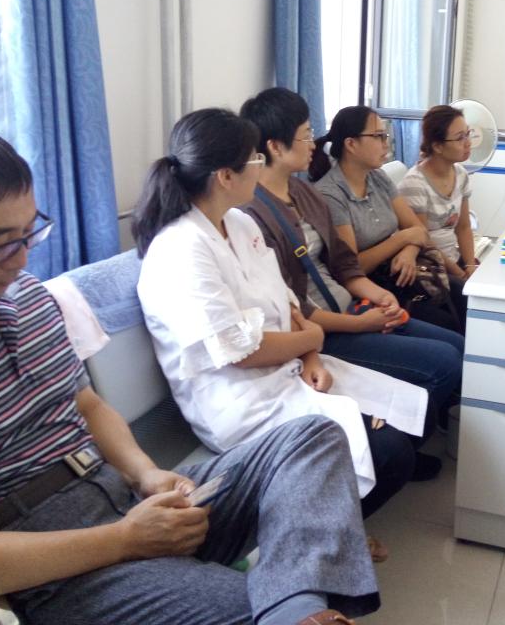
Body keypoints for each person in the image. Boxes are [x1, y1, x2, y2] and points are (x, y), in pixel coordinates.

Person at [0, 125, 378, 625]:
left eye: (29, 233)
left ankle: (293, 607)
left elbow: (86, 405)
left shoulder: (28, 299)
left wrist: (145, 475)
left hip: (121, 499)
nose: (20, 260)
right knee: (253, 608)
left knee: (312, 438)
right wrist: (125, 540)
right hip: (46, 568)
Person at [133, 108, 437, 525]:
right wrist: (312, 341)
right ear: (225, 176)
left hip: (289, 369)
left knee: (406, 415)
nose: (260, 167)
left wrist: (310, 357)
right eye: (254, 159)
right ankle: (318, 532)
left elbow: (286, 300)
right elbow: (241, 353)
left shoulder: (239, 223)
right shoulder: (181, 249)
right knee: (390, 451)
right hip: (239, 401)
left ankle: (334, 523)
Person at [239, 88, 463, 431]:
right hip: (326, 330)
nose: (313, 144)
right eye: (306, 135)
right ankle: (397, 436)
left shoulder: (304, 193)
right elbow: (291, 306)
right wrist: (361, 323)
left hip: (354, 307)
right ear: (275, 147)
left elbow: (345, 264)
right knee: (445, 361)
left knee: (456, 345)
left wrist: (380, 297)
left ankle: (404, 429)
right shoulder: (254, 214)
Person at [311, 106, 465, 334]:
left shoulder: (378, 177)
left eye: (385, 136)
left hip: (402, 273)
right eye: (378, 136)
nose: (386, 144)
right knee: (451, 327)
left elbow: (418, 231)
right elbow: (353, 266)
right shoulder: (330, 194)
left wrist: (409, 250)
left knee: (467, 299)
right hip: (373, 289)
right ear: (351, 144)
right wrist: (402, 239)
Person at [397, 105, 476, 320]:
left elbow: (463, 227)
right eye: (460, 138)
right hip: (431, 267)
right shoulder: (414, 184)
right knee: (473, 306)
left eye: (468, 134)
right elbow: (425, 242)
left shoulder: (460, 174)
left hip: (455, 260)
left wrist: (470, 265)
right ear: (438, 146)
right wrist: (459, 273)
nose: (468, 142)